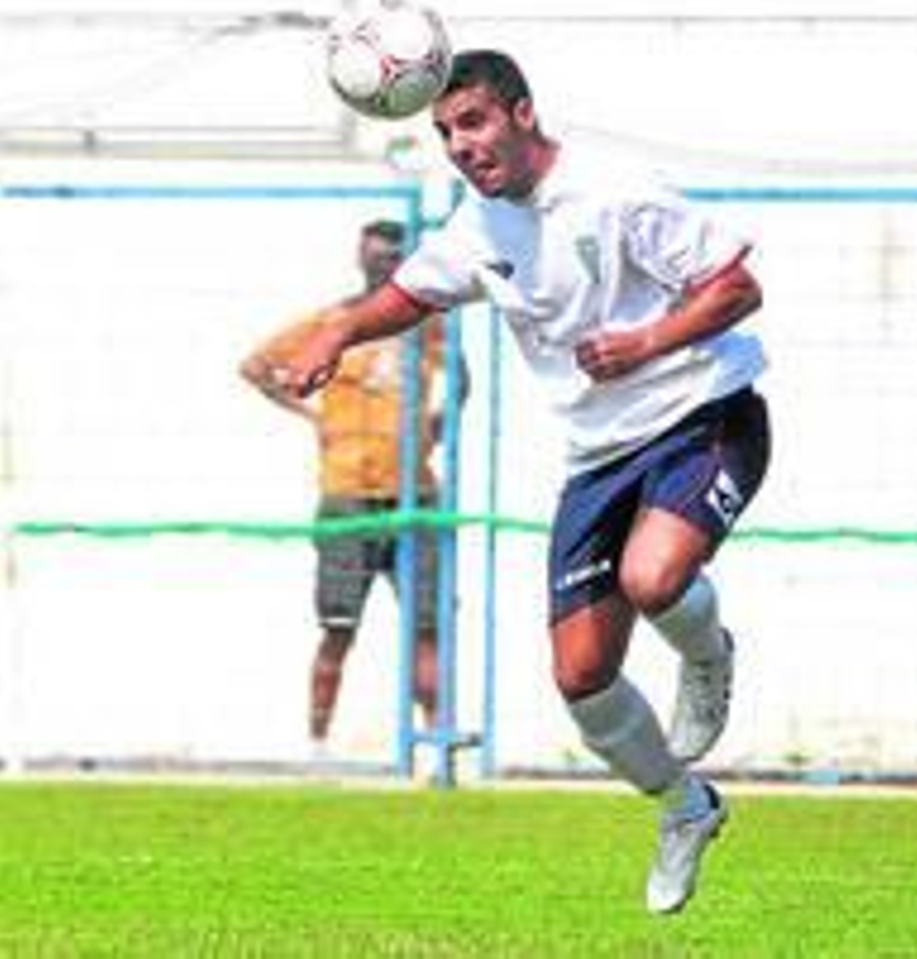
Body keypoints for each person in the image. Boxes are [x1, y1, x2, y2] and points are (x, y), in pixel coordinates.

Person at [271, 50, 770, 916]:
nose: (460, 145)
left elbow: (737, 288)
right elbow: (411, 294)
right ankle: (686, 807)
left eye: (474, 123)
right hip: (598, 456)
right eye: (444, 132)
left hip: (703, 412)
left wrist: (645, 342)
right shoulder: (478, 228)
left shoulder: (614, 189)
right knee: (581, 679)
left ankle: (706, 653)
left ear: (523, 114)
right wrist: (342, 329)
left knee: (652, 578)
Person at [240, 219, 460, 758]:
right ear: (361, 260)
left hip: (414, 496)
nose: (384, 266)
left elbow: (462, 384)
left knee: (427, 625)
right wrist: (313, 417)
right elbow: (256, 366)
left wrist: (436, 427)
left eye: (394, 258)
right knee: (338, 626)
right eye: (376, 258)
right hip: (347, 495)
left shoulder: (428, 326)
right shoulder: (332, 321)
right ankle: (318, 743)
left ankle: (436, 748)